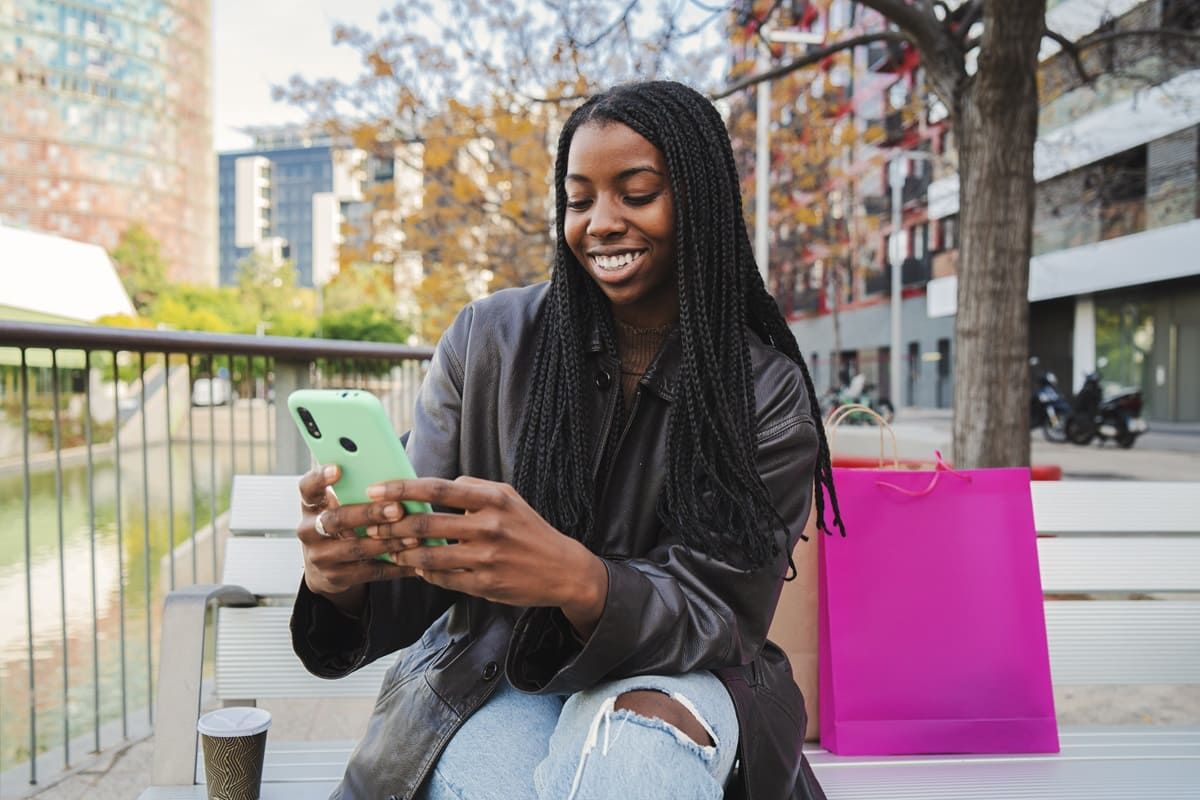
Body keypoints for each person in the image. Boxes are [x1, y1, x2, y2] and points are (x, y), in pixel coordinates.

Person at [291, 80, 843, 800]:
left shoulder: (764, 390)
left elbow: (723, 615)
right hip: (498, 672)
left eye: (637, 193)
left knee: (633, 762)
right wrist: (342, 582)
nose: (601, 222)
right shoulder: (488, 341)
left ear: (700, 204)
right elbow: (424, 566)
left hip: (687, 678)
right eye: (579, 200)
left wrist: (581, 582)